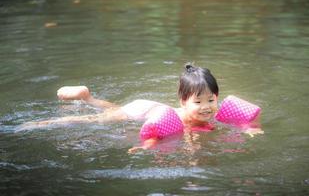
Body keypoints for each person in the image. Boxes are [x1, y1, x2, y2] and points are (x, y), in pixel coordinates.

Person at [19, 64, 263, 152]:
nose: (206, 107)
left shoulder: (213, 111)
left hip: (149, 108)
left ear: (217, 97)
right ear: (183, 102)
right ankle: (44, 122)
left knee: (112, 109)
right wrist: (144, 145)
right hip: (142, 111)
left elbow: (239, 122)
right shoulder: (185, 120)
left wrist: (249, 128)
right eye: (198, 102)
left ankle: (88, 97)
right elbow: (159, 135)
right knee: (97, 120)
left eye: (211, 100)